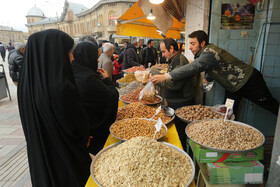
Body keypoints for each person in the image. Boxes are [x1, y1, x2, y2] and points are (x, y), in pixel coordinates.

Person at [17, 29, 91, 187]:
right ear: (55, 53)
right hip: (67, 157)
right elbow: (77, 126)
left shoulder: (26, 85)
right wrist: (85, 136)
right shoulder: (61, 87)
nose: (72, 58)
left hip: (41, 153)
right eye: (69, 52)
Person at [151, 30, 279, 117]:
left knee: (270, 105)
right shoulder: (205, 54)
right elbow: (210, 66)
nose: (189, 47)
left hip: (249, 81)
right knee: (227, 112)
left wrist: (166, 76)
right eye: (189, 44)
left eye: (193, 44)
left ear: (202, 43)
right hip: (233, 86)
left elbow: (195, 67)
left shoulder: (209, 52)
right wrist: (207, 78)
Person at [72, 41, 119, 155]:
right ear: (87, 57)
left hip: (81, 130)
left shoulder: (73, 72)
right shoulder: (89, 79)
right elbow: (112, 96)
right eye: (96, 57)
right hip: (93, 133)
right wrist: (107, 79)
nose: (98, 61)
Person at [155, 38, 194, 151]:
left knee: (179, 133)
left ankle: (182, 153)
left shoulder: (180, 61)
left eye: (163, 51)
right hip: (175, 101)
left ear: (171, 49)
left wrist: (159, 80)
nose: (162, 55)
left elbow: (175, 85)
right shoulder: (174, 59)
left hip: (181, 103)